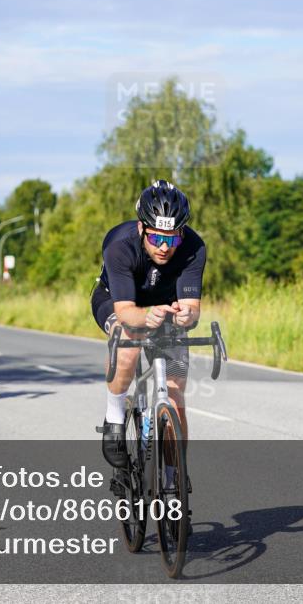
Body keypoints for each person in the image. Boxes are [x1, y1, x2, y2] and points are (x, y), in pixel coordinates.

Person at [90, 180, 205, 469]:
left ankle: (174, 473)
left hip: (164, 307)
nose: (164, 247)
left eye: (172, 240)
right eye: (156, 238)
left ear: (181, 233)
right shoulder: (119, 246)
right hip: (117, 301)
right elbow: (126, 312)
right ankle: (114, 418)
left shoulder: (194, 247)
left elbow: (192, 308)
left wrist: (186, 315)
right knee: (127, 340)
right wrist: (146, 317)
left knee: (175, 395)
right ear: (142, 228)